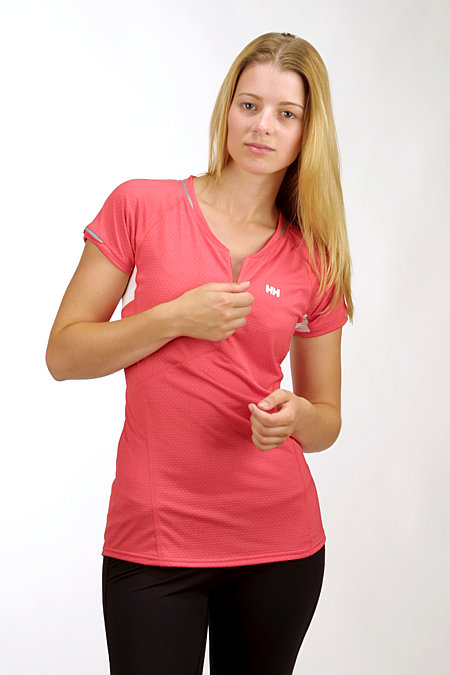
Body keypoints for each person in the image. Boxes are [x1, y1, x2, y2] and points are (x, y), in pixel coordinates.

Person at [46, 31, 352, 675]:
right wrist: (173, 318)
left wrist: (297, 416)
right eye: (249, 105)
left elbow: (326, 420)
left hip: (278, 544)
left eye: (286, 114)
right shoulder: (141, 206)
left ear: (308, 132)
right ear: (227, 109)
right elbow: (64, 354)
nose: (262, 126)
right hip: (154, 539)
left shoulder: (314, 257)